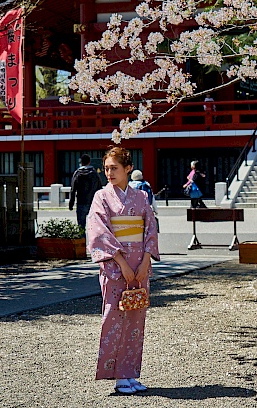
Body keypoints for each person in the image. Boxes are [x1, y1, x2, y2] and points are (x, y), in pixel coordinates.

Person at [86, 147, 159, 395]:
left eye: (114, 168)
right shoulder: (102, 197)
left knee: (136, 319)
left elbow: (150, 228)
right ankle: (117, 376)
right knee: (114, 318)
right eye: (106, 168)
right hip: (117, 267)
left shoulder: (140, 197)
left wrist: (146, 259)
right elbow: (99, 232)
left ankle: (130, 374)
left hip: (140, 265)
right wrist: (122, 262)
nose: (109, 173)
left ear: (128, 168)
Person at [69, 154, 102, 232]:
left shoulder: (77, 173)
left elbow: (73, 190)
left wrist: (71, 203)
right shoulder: (94, 173)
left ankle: (82, 242)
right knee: (94, 226)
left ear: (81, 162)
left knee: (81, 227)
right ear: (89, 162)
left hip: (81, 202)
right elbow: (99, 189)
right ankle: (93, 242)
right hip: (93, 202)